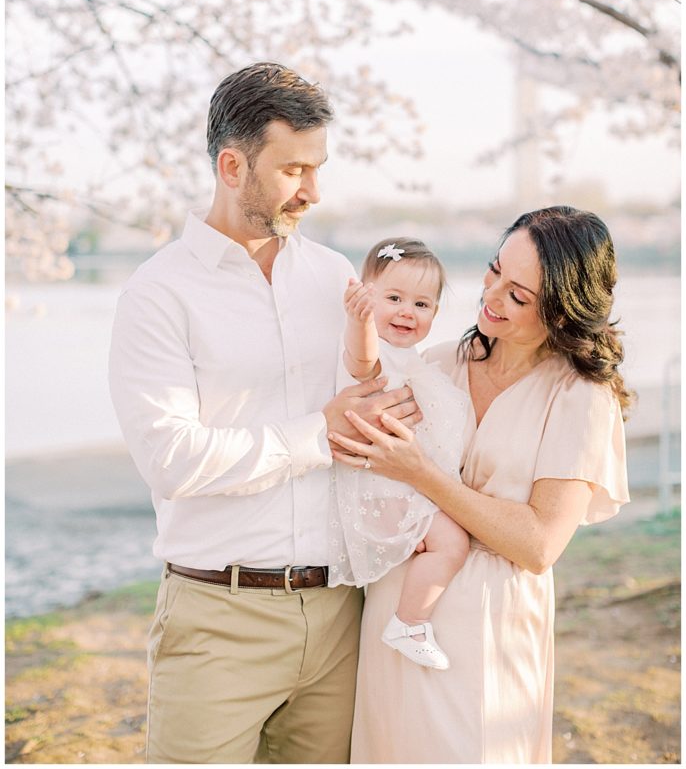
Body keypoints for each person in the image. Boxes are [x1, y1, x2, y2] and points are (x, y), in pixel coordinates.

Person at [108, 62, 421, 765]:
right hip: (219, 619)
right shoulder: (158, 295)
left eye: (319, 169)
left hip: (341, 613)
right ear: (231, 165)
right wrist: (320, 433)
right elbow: (172, 461)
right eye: (293, 170)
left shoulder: (338, 276)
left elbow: (374, 401)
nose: (312, 190)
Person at [327, 206, 631, 764]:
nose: (491, 298)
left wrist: (421, 474)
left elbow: (540, 545)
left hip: (490, 628)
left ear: (564, 310)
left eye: (518, 296)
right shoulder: (439, 363)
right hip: (397, 607)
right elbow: (363, 444)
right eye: (494, 272)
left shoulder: (579, 397)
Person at [329, 237, 470, 670]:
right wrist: (361, 322)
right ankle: (409, 623)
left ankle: (408, 620)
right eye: (393, 298)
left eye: (422, 304)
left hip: (400, 480)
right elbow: (363, 361)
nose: (408, 311)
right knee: (452, 543)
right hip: (384, 486)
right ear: (368, 298)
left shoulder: (414, 360)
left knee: (450, 538)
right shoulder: (373, 353)